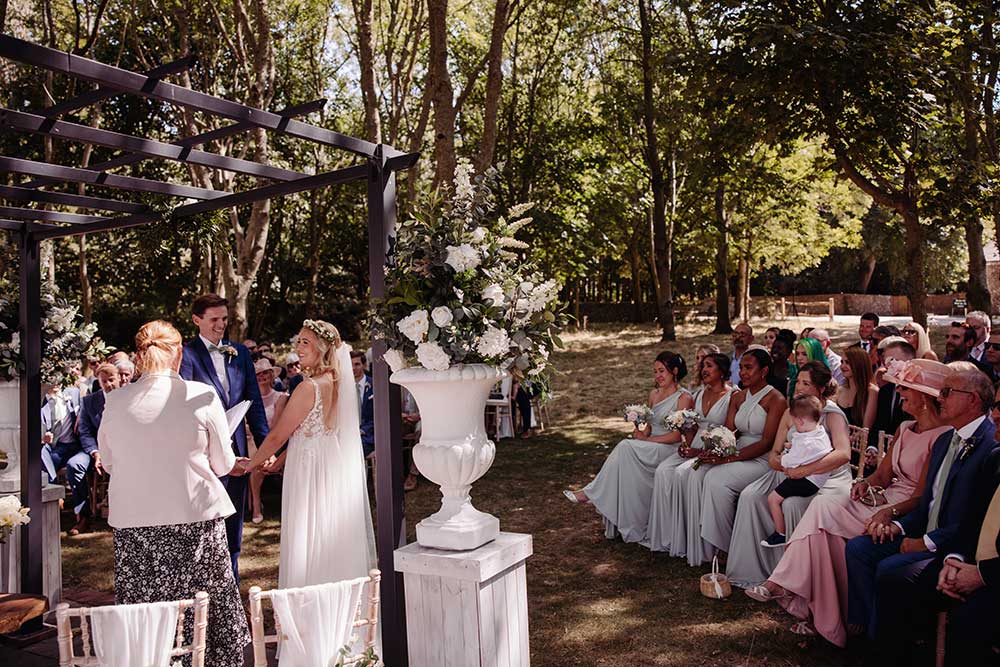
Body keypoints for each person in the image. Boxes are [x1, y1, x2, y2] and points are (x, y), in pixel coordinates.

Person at [744, 359, 952, 645]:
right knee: (822, 514)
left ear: (925, 398)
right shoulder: (905, 427)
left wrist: (889, 511)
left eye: (905, 389)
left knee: (823, 519)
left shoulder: (943, 436)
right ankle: (818, 614)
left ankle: (786, 589)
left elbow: (922, 495)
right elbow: (882, 474)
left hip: (901, 510)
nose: (900, 393)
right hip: (881, 496)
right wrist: (865, 483)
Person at [98, 320, 250, 667]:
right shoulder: (201, 395)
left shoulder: (116, 400)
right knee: (206, 620)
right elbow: (224, 465)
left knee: (148, 621)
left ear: (139, 356)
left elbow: (108, 463)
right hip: (194, 521)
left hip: (135, 526)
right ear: (179, 354)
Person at [845, 365, 999, 639]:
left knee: (891, 571)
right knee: (859, 548)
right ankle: (871, 629)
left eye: (947, 392)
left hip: (954, 545)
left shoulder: (990, 446)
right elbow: (927, 500)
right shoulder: (945, 441)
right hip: (924, 531)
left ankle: (891, 644)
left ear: (973, 399)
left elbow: (973, 521)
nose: (938, 397)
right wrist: (899, 526)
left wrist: (926, 543)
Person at [243, 320, 377, 594]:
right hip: (330, 466)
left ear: (322, 347)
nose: (298, 348)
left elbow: (279, 435)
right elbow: (307, 432)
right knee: (326, 534)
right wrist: (278, 462)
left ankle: (310, 606)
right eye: (298, 342)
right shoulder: (339, 384)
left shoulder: (309, 387)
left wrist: (250, 464)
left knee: (308, 536)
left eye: (305, 342)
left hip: (309, 470)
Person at [725, 361, 852, 588]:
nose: (799, 388)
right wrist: (777, 462)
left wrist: (805, 470)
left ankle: (792, 580)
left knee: (792, 504)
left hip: (824, 476)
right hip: (788, 471)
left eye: (807, 383)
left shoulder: (831, 414)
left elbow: (843, 454)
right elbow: (774, 451)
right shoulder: (789, 412)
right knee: (750, 496)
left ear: (821, 388)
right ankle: (756, 570)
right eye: (798, 382)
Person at [871, 444, 1000, 665]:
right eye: (997, 407)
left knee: (968, 620)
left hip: (993, 577)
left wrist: (982, 574)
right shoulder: (996, 458)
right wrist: (954, 559)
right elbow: (971, 522)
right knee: (896, 581)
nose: (996, 414)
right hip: (969, 563)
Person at [179, 293, 269, 581]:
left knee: (233, 524)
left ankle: (231, 581)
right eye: (214, 319)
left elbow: (252, 401)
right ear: (196, 320)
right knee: (207, 522)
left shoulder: (240, 352)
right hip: (202, 455)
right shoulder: (187, 354)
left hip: (238, 453)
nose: (221, 325)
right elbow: (184, 405)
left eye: (225, 319)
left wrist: (265, 447)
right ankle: (204, 585)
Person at [563, 352, 694, 544]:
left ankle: (590, 493)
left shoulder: (684, 397)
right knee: (626, 453)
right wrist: (641, 433)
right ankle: (608, 505)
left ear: (674, 371)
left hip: (669, 448)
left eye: (662, 371)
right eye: (655, 371)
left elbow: (677, 435)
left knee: (625, 447)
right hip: (652, 445)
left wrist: (646, 441)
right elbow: (649, 428)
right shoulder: (654, 394)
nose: (658, 376)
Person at [698, 349, 787, 561]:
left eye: (749, 368)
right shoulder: (737, 397)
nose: (743, 372)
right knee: (704, 471)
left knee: (717, 479)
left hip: (762, 458)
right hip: (736, 452)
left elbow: (767, 442)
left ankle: (726, 546)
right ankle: (713, 541)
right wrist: (716, 449)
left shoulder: (776, 399)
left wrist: (729, 457)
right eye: (741, 368)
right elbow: (728, 432)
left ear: (764, 371)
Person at [646, 352, 733, 559]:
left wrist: (699, 451)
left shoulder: (732, 396)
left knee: (682, 473)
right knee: (663, 471)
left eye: (709, 366)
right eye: (703, 366)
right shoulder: (699, 395)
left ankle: (696, 541)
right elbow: (692, 426)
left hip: (713, 450)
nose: (704, 370)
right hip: (693, 446)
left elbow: (730, 433)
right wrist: (686, 443)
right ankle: (669, 536)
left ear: (722, 371)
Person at [762, 395, 834, 548]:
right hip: (818, 479)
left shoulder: (806, 443)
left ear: (800, 421)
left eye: (795, 422)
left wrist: (782, 457)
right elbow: (803, 448)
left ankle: (780, 533)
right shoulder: (819, 431)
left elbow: (790, 461)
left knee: (772, 499)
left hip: (807, 482)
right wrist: (791, 446)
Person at [73, 363, 120, 535]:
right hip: (95, 450)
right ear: (98, 382)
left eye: (111, 380)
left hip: (122, 449)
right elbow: (84, 432)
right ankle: (83, 516)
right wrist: (95, 453)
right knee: (75, 465)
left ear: (119, 379)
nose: (108, 384)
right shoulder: (89, 401)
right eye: (104, 381)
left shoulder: (128, 398)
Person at [40, 383, 87, 534]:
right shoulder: (39, 399)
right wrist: (42, 438)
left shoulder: (73, 392)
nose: (56, 382)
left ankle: (82, 517)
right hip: (55, 448)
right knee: (40, 455)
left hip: (77, 446)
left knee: (75, 466)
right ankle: (53, 501)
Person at [247, 358, 287, 524]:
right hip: (252, 440)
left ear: (272, 376)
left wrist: (265, 446)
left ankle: (257, 505)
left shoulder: (281, 397)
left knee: (256, 456)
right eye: (258, 374)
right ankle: (253, 503)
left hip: (274, 442)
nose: (262, 376)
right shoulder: (250, 398)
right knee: (251, 453)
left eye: (265, 373)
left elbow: (276, 428)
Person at [869, 339, 916, 451]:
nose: (890, 365)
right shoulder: (886, 389)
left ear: (910, 361)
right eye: (887, 361)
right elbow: (879, 424)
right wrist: (872, 449)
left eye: (894, 360)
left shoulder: (918, 394)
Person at [837, 346, 878, 429]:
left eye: (847, 362)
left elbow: (866, 428)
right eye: (842, 362)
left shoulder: (872, 391)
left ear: (859, 364)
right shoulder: (839, 390)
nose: (842, 366)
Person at [352, 350, 376, 456]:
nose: (353, 368)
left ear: (364, 365)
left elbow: (378, 416)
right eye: (350, 365)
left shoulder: (374, 385)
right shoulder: (342, 388)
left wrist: (363, 430)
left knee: (355, 450)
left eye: (357, 364)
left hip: (368, 435)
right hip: (348, 435)